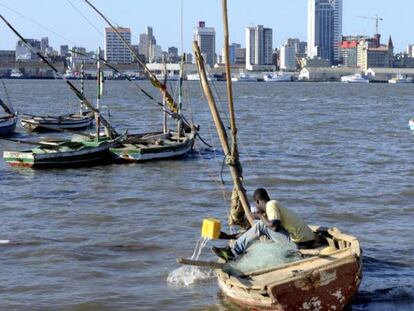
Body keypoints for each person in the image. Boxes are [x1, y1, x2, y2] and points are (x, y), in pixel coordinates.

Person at [212, 188, 315, 261]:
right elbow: (252, 232)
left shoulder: (271, 205)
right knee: (261, 226)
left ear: (257, 201)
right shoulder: (272, 208)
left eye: (256, 205)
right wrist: (228, 237)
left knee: (261, 225)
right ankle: (234, 250)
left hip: (300, 243)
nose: (256, 208)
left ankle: (232, 253)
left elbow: (274, 227)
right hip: (307, 240)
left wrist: (260, 216)